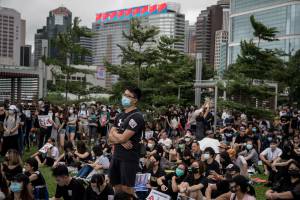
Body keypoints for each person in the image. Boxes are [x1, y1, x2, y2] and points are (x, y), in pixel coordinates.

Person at [108, 87, 145, 197]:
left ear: (135, 100)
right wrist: (121, 140)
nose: (124, 98)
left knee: (127, 188)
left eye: (128, 96)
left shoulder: (137, 116)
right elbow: (110, 136)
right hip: (116, 156)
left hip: (128, 157)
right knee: (116, 185)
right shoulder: (119, 115)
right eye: (124, 95)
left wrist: (119, 138)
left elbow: (122, 137)